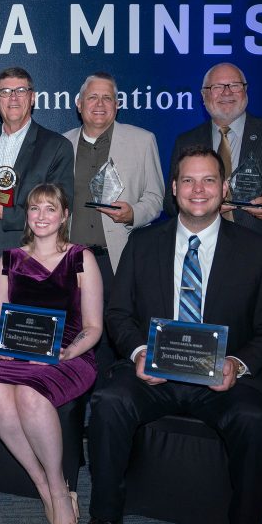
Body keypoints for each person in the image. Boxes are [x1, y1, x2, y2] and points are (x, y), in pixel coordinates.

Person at [83, 147, 262, 524]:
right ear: (174, 189)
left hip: (223, 379)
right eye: (189, 182)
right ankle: (104, 515)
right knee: (106, 403)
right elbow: (119, 315)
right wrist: (139, 353)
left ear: (224, 189)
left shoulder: (257, 251)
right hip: (154, 374)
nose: (199, 190)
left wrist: (237, 364)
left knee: (256, 424)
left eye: (209, 181)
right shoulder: (143, 244)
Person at [0, 183, 102, 524]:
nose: (42, 216)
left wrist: (68, 352)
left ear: (65, 215)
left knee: (32, 396)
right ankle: (43, 484)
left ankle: (60, 491)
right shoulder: (10, 259)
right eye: (35, 209)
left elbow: (95, 327)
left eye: (51, 209)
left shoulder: (82, 258)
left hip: (70, 353)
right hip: (15, 351)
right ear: (27, 215)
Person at [165, 62, 262, 292]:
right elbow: (170, 201)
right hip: (202, 260)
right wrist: (202, 207)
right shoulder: (186, 141)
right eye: (218, 86)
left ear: (246, 90)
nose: (226, 92)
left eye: (234, 85)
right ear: (204, 95)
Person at [63, 71, 164, 374]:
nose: (100, 103)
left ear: (117, 105)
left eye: (108, 97)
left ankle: (114, 406)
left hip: (118, 257)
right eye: (92, 97)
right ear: (79, 104)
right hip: (73, 260)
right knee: (75, 335)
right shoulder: (61, 144)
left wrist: (133, 213)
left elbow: (156, 197)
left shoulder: (142, 140)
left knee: (119, 337)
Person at [0, 67, 75, 365]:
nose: (12, 98)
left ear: (32, 98)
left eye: (20, 91)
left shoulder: (55, 146)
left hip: (32, 256)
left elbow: (60, 205)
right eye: (5, 92)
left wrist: (8, 214)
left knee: (28, 346)